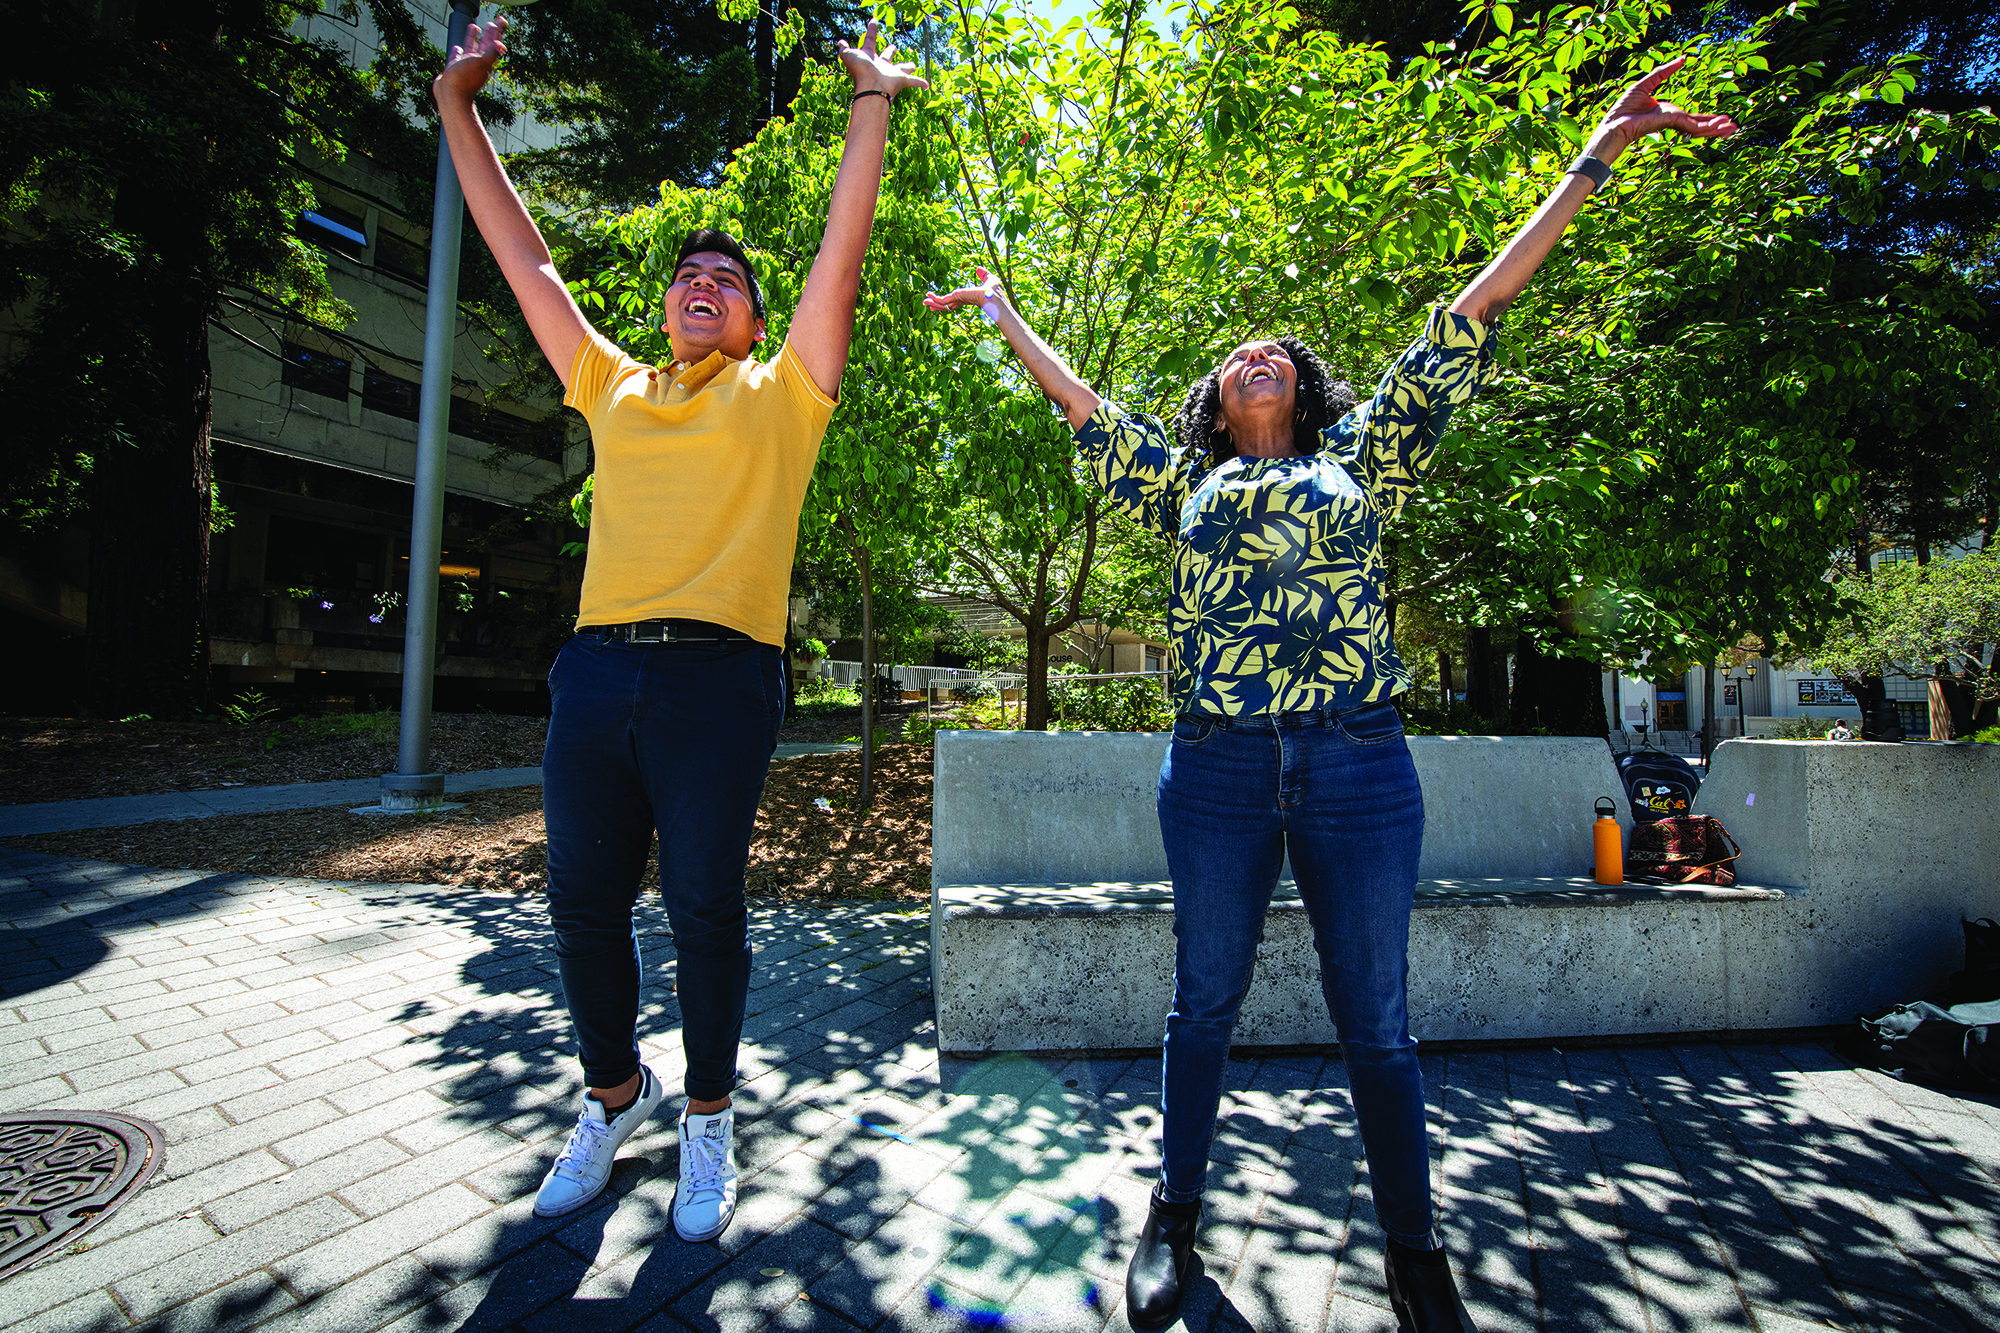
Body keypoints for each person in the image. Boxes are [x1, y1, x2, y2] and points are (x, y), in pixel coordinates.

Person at [926, 58, 1735, 1332]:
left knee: (1377, 1018)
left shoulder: (1368, 454)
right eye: (1236, 354)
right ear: (1215, 399)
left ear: (1302, 386)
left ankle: (1413, 1252)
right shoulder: (1170, 480)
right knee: (1203, 998)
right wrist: (1009, 315)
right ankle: (1173, 1214)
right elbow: (1081, 404)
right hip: (1217, 766)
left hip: (1357, 761)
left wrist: (1590, 159)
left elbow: (1468, 313)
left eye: (1277, 350)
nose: (1256, 352)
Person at [432, 19, 925, 1239]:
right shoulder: (615, 388)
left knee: (704, 906)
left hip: (720, 682)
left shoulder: (784, 397)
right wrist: (459, 110)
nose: (703, 284)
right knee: (580, 905)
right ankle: (614, 1095)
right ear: (664, 309)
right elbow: (528, 265)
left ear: (755, 322)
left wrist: (870, 103)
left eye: (730, 281)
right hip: (597, 674)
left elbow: (838, 266)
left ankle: (709, 1115)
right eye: (686, 276)